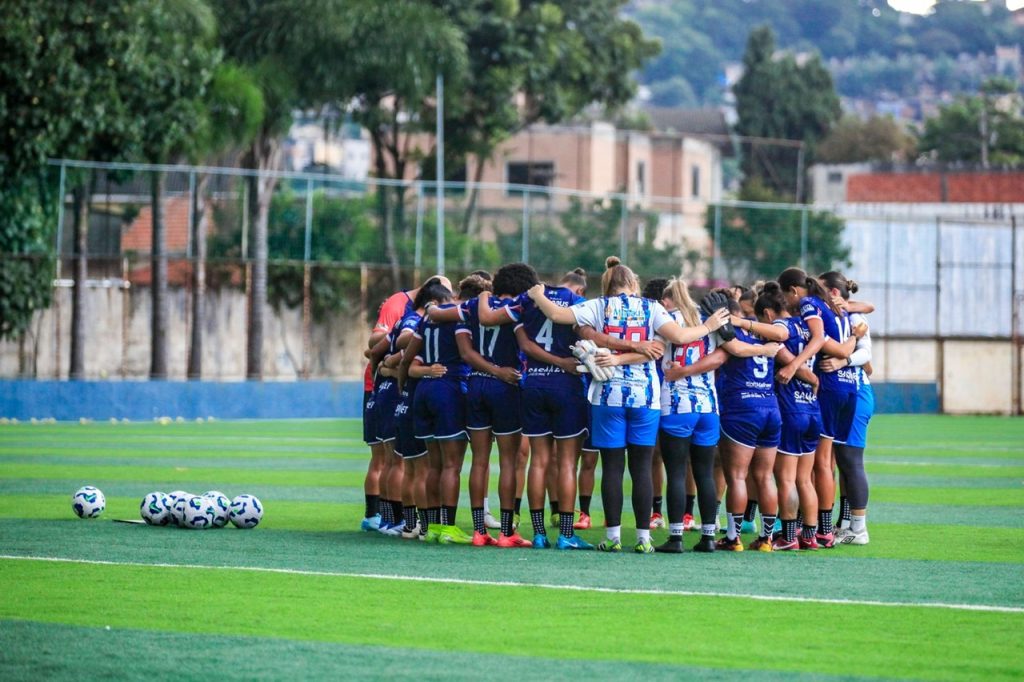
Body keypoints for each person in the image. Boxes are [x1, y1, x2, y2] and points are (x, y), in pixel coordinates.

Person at [527, 257, 728, 554]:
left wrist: (537, 295)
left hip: (607, 395)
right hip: (646, 396)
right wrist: (710, 325)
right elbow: (680, 337)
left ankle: (613, 536)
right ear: (633, 284)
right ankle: (644, 538)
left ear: (607, 285)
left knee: (611, 468)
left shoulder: (598, 305)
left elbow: (557, 315)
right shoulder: (653, 308)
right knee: (642, 468)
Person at [427, 263, 538, 546]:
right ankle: (506, 532)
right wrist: (500, 371)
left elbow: (463, 349)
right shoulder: (519, 307)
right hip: (506, 385)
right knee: (509, 462)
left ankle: (478, 531)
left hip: (475, 385)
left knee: (479, 461)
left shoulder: (472, 306)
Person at [775, 267, 861, 548]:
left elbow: (819, 338)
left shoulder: (809, 304)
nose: (788, 304)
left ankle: (821, 531)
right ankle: (816, 528)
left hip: (829, 386)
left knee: (819, 466)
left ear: (794, 291)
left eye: (787, 297)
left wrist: (795, 364)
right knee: (828, 464)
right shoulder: (839, 309)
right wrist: (851, 344)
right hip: (850, 387)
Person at [360, 276, 451, 532]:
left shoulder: (404, 320)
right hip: (399, 395)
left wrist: (387, 367)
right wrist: (404, 361)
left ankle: (394, 520)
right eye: (446, 302)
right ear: (433, 302)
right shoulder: (415, 321)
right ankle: (411, 524)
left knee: (395, 462)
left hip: (387, 392)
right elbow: (402, 340)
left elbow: (375, 352)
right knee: (409, 464)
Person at [655, 278, 729, 553]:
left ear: (667, 300)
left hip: (676, 404)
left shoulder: (666, 319)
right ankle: (708, 536)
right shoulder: (708, 319)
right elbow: (723, 355)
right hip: (709, 406)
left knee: (675, 472)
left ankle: (675, 537)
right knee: (705, 473)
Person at [748, 283, 823, 551]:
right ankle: (810, 536)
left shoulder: (780, 332)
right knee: (805, 479)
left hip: (791, 409)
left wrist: (801, 371)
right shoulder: (805, 325)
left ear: (767, 314)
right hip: (813, 408)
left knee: (787, 479)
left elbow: (795, 365)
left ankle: (788, 536)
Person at [820, 273, 874, 546]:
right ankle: (847, 524)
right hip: (848, 392)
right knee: (842, 460)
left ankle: (859, 528)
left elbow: (867, 354)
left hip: (857, 392)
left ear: (832, 291)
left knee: (851, 461)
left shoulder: (854, 318)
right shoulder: (838, 314)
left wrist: (843, 361)